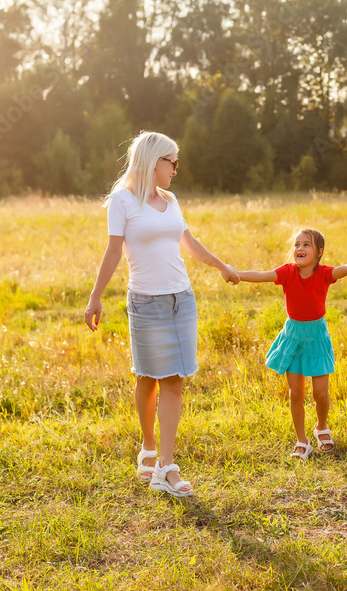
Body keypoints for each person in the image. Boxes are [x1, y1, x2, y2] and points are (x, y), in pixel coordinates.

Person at [84, 131, 239, 498]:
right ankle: (149, 449)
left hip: (181, 300)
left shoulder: (170, 199)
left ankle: (165, 466)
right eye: (173, 161)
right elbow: (112, 253)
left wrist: (221, 266)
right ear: (155, 162)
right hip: (146, 302)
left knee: (174, 379)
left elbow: (189, 243)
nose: (176, 169)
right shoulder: (122, 202)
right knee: (148, 377)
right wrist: (95, 297)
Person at [235, 227, 347, 460]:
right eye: (297, 245)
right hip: (293, 337)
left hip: (317, 337)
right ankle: (302, 440)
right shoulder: (287, 272)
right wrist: (237, 274)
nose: (299, 248)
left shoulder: (324, 274)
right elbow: (262, 275)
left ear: (319, 252)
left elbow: (346, 269)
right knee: (296, 393)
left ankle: (321, 427)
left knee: (320, 394)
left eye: (306, 245)